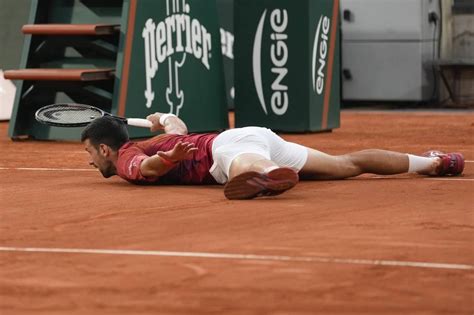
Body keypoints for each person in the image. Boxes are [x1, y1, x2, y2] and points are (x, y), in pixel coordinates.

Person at [81, 113, 464, 200]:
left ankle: (269, 173)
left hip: (225, 151)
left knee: (245, 167)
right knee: (347, 164)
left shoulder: (128, 159)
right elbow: (177, 127)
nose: (89, 162)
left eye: (89, 153)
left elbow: (144, 167)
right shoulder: (147, 141)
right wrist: (162, 119)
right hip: (250, 134)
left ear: (104, 148)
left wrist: (167, 161)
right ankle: (433, 162)